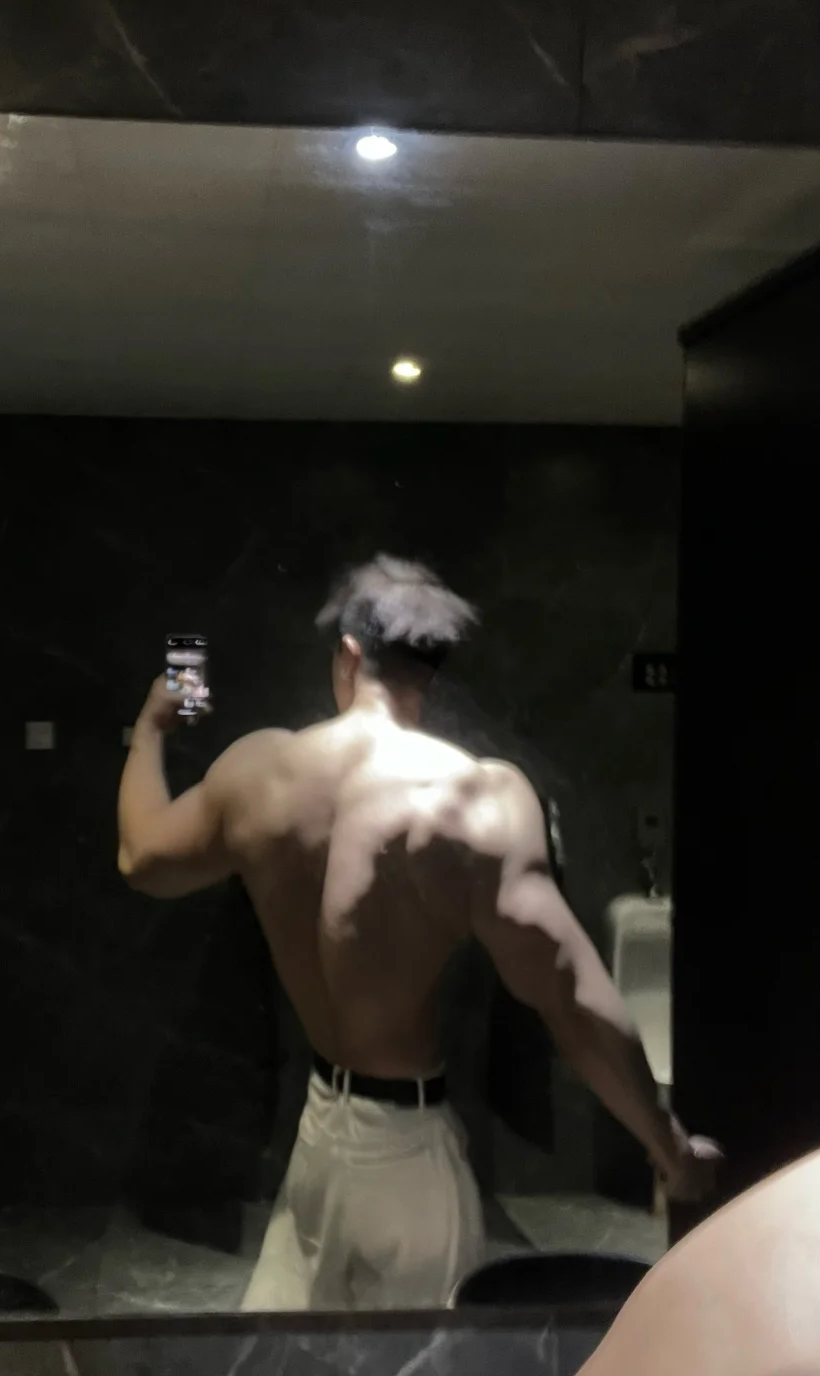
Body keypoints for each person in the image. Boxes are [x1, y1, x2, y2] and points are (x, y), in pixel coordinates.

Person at [117, 554, 719, 1311]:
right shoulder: (475, 798)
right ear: (428, 672)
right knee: (420, 1359)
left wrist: (149, 729)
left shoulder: (256, 772)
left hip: (319, 1134)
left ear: (348, 653)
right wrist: (671, 1150)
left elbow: (141, 858)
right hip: (407, 1159)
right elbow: (570, 995)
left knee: (283, 1355)